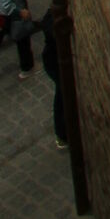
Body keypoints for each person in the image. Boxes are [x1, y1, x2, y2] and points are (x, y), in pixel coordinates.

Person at [40, 13, 68, 149]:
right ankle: (62, 134)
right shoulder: (51, 22)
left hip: (53, 61)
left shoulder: (49, 18)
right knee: (62, 95)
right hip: (55, 63)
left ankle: (62, 133)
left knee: (62, 95)